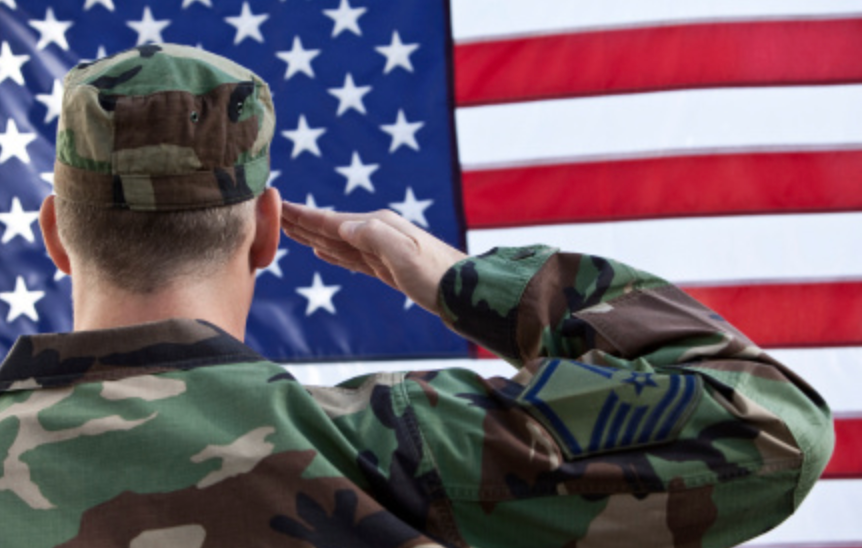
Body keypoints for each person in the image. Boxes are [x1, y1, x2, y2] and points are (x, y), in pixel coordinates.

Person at [0, 44, 832, 548]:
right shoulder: (389, 452)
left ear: (55, 233)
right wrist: (463, 282)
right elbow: (770, 424)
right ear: (266, 230)